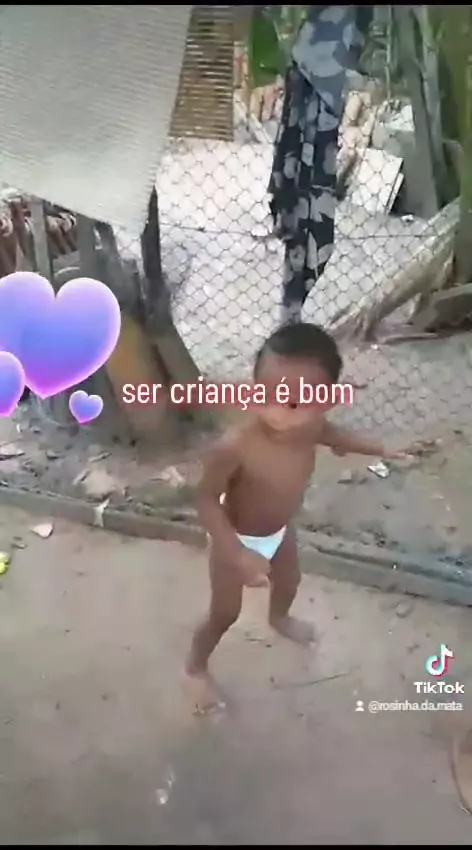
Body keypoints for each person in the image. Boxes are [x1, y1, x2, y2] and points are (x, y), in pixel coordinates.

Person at [186, 322, 409, 713]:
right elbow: (205, 500)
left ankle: (279, 617)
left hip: (279, 529)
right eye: (266, 395)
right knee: (225, 612)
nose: (277, 412)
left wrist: (381, 449)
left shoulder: (313, 427)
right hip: (235, 538)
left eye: (294, 403)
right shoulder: (236, 446)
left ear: (326, 401)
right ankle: (195, 667)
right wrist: (238, 554)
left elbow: (335, 436)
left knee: (289, 580)